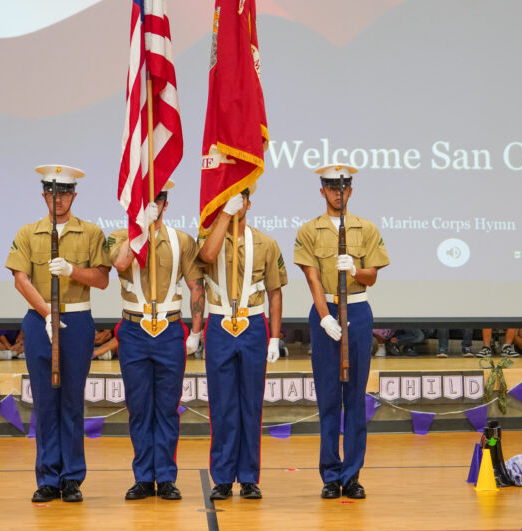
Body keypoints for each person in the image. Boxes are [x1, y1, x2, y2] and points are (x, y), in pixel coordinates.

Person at [5, 165, 110, 503]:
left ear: (74, 196)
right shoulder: (27, 233)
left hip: (77, 323)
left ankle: (72, 478)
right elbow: (21, 280)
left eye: (64, 192)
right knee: (45, 402)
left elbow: (102, 279)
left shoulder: (91, 232)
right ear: (43, 195)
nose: (58, 198)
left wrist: (72, 270)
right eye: (52, 192)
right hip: (39, 322)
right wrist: (47, 313)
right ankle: (48, 477)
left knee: (71, 402)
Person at [294, 165, 388, 499]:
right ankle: (330, 475)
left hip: (359, 310)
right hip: (327, 312)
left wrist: (356, 269)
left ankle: (352, 475)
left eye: (343, 187)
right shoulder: (309, 230)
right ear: (322, 191)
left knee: (356, 399)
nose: (338, 193)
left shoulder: (367, 228)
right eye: (331, 187)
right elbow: (312, 278)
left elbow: (373, 276)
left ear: (351, 191)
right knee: (329, 399)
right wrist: (324, 317)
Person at [109, 181, 205, 502]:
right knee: (138, 408)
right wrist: (141, 228)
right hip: (134, 330)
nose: (155, 203)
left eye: (159, 198)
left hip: (169, 329)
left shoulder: (182, 241)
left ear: (167, 202)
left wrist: (196, 331)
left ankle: (165, 476)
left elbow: (195, 287)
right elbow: (121, 263)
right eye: (148, 198)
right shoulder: (121, 237)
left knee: (166, 408)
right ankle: (142, 477)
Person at [197, 185, 286, 500]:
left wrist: (274, 336)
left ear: (249, 201)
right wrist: (224, 214)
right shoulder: (209, 238)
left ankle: (249, 476)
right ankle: (222, 477)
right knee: (222, 405)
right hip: (220, 323)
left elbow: (275, 292)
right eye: (232, 198)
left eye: (242, 198)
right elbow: (207, 256)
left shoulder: (266, 242)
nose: (239, 203)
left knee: (251, 404)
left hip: (253, 325)